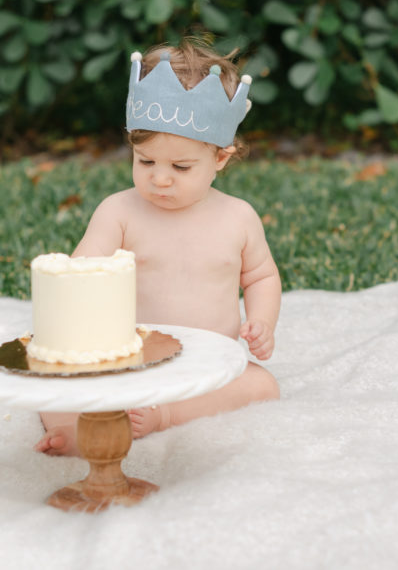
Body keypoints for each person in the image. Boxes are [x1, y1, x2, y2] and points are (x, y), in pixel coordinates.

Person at [35, 39, 281, 456]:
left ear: (221, 157)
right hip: (128, 357)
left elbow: (261, 276)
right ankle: (73, 427)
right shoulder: (120, 212)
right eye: (145, 161)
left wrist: (261, 321)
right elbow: (82, 270)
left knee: (262, 384)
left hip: (206, 364)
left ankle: (167, 414)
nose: (159, 179)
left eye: (181, 167)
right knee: (50, 383)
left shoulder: (238, 218)